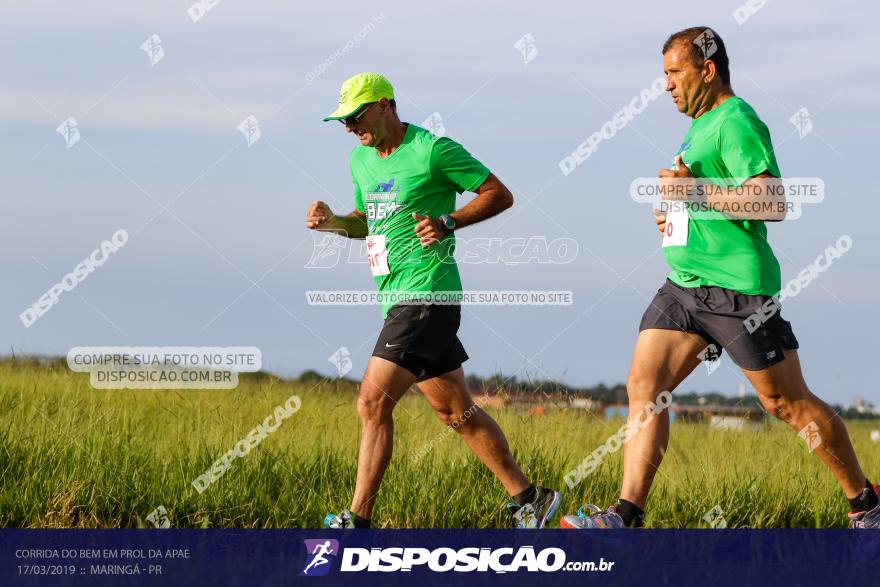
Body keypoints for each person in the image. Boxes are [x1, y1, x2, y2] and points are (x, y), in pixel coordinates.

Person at [561, 28, 878, 529]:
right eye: (663, 74)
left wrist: (697, 197)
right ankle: (625, 516)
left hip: (737, 289)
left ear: (707, 71)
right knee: (645, 387)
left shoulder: (737, 120)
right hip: (685, 284)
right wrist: (672, 213)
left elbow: (772, 202)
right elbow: (702, 196)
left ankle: (866, 502)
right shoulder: (700, 126)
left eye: (673, 73)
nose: (664, 85)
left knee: (785, 402)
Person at [307, 72, 560, 529]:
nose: (349, 127)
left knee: (371, 403)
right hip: (397, 299)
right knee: (455, 413)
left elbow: (498, 194)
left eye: (355, 116)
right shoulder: (361, 161)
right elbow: (366, 221)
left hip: (427, 295)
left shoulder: (432, 151)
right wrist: (333, 224)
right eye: (342, 121)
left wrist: (448, 221)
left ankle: (356, 522)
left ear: (385, 105)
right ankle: (531, 499)